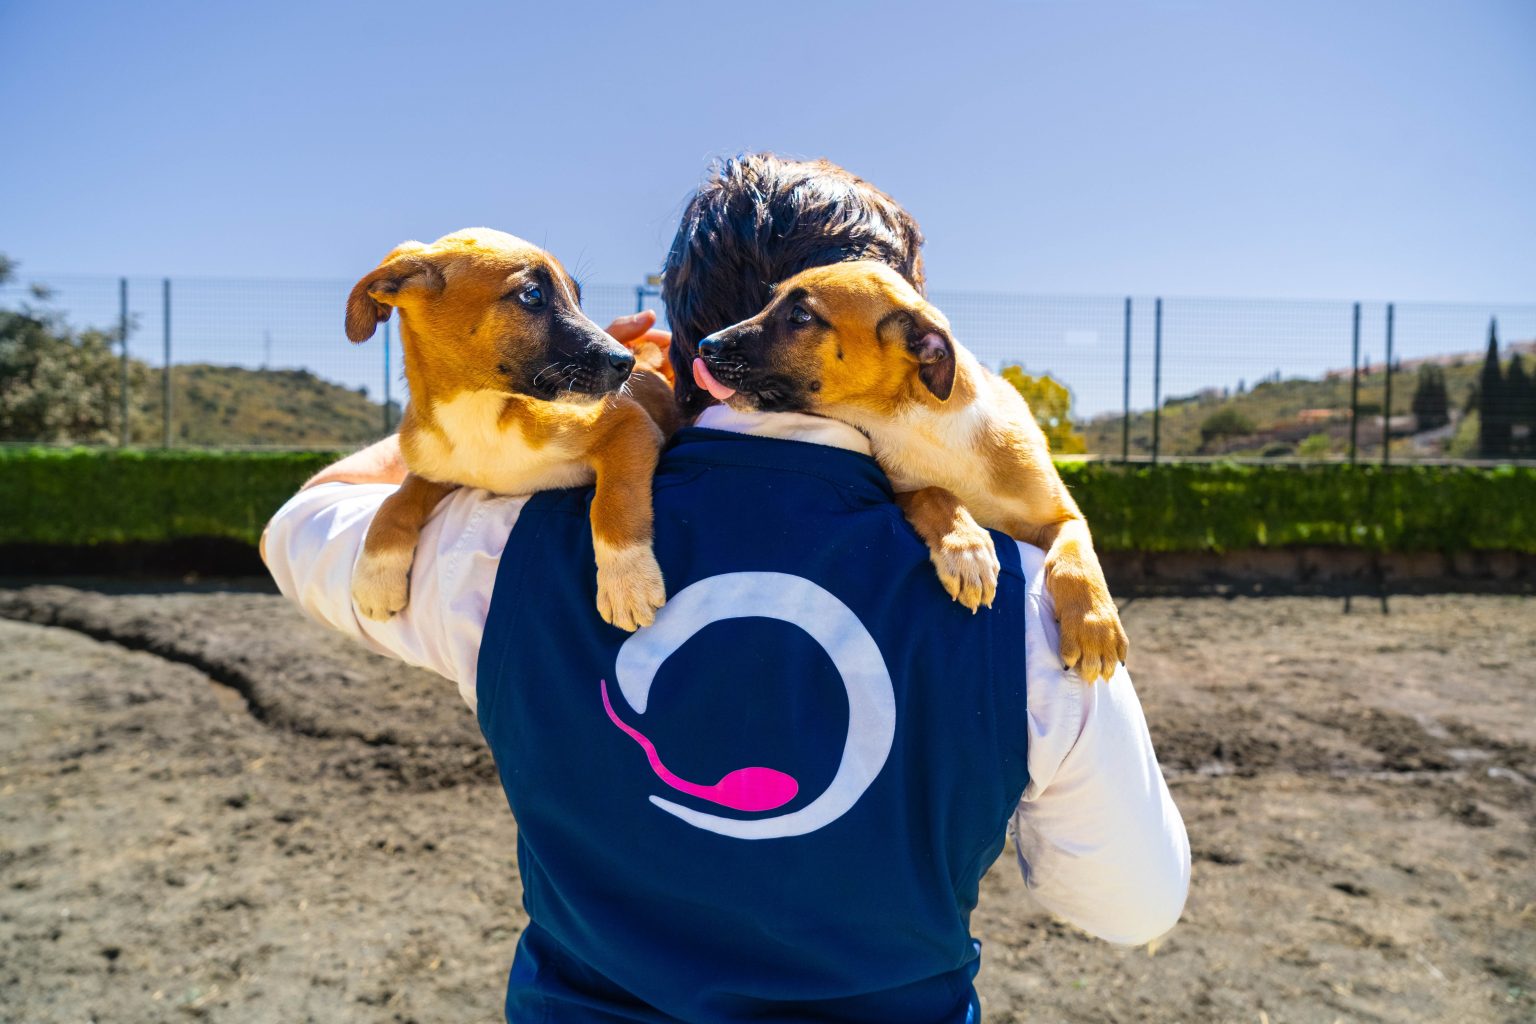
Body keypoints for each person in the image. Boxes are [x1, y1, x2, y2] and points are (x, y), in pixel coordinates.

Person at [263, 153, 1189, 1023]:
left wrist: (479, 403)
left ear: (686, 330)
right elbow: (1133, 905)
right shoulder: (1037, 610)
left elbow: (298, 524)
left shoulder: (488, 548)